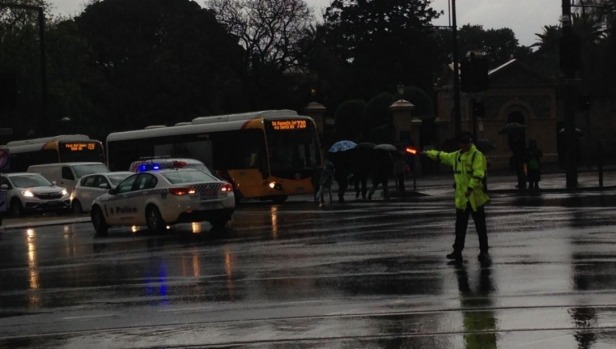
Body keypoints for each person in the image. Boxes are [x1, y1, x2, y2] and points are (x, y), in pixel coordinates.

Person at [423, 132, 490, 262]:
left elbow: (478, 174)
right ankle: (457, 251)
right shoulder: (457, 156)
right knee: (460, 227)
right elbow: (442, 156)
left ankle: (484, 251)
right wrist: (428, 153)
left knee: (480, 226)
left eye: (466, 143)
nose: (464, 146)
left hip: (475, 197)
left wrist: (470, 188)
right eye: (462, 144)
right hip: (462, 199)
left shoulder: (477, 156)